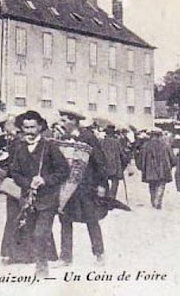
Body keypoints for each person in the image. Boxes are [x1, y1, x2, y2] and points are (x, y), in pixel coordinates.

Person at [9, 110, 70, 277]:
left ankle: (42, 268)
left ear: (40, 127)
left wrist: (45, 180)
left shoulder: (50, 147)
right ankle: (38, 261)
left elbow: (63, 170)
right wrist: (27, 182)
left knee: (40, 233)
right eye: (25, 127)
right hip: (28, 200)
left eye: (32, 127)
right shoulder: (20, 148)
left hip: (48, 199)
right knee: (30, 232)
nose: (29, 131)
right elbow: (14, 172)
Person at [56, 109, 109, 267]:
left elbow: (100, 162)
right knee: (64, 219)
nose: (61, 122)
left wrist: (101, 184)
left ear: (73, 121)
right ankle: (65, 257)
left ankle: (99, 254)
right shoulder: (63, 138)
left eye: (64, 119)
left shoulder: (88, 137)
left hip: (86, 186)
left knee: (91, 220)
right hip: (67, 187)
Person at [139, 128, 175, 209]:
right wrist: (170, 165)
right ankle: (157, 201)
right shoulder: (166, 145)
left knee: (152, 186)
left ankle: (153, 201)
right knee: (161, 186)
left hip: (150, 170)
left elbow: (141, 159)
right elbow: (172, 158)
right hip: (163, 169)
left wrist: (142, 168)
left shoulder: (146, 145)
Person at [101, 125, 127, 200]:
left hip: (104, 165)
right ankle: (112, 197)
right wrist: (125, 161)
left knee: (104, 181)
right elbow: (122, 154)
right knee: (115, 182)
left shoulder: (101, 142)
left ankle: (105, 196)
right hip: (115, 165)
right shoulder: (116, 142)